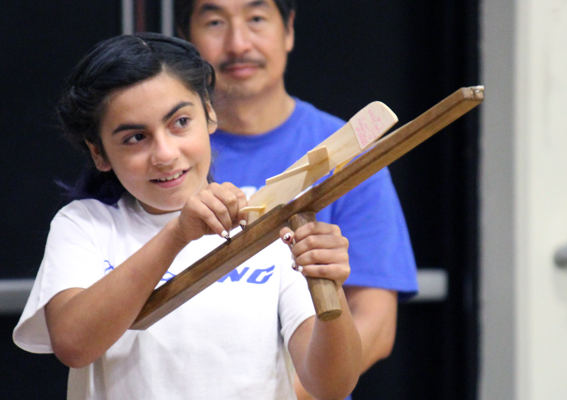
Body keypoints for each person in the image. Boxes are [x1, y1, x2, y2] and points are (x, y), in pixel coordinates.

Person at [13, 32, 362, 400]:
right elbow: (74, 345)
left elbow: (332, 385)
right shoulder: (84, 225)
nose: (164, 154)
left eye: (180, 122)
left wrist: (331, 288)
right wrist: (177, 234)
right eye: (135, 137)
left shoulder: (267, 217)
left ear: (209, 114)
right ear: (99, 153)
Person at [174, 1, 419, 398]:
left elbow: (375, 324)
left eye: (256, 19)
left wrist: (280, 392)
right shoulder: (165, 161)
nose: (238, 44)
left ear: (288, 29)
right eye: (215, 22)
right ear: (186, 38)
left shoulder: (349, 151)